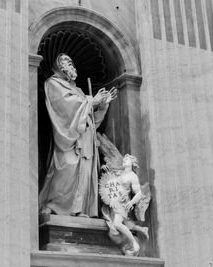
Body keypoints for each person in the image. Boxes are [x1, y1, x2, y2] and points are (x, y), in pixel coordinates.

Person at [38, 53, 117, 218]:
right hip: (68, 138)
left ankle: (81, 209)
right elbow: (64, 107)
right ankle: (53, 205)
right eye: (67, 62)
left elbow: (91, 121)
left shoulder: (79, 91)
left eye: (72, 62)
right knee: (66, 171)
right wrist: (90, 101)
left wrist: (102, 106)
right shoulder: (53, 83)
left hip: (86, 140)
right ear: (59, 66)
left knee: (85, 174)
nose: (71, 65)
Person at [102, 154, 149, 255]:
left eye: (127, 159)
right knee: (118, 224)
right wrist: (105, 170)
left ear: (132, 163)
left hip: (123, 204)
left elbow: (139, 193)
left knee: (117, 224)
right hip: (113, 202)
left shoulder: (133, 176)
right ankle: (140, 231)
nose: (124, 160)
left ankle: (134, 243)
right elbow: (111, 181)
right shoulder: (120, 172)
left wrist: (131, 202)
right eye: (124, 159)